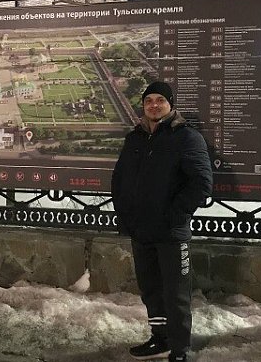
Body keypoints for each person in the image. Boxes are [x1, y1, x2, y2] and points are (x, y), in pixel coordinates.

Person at [111, 81, 212, 362]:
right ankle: (160, 338)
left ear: (170, 105)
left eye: (160, 100)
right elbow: (120, 179)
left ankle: (179, 348)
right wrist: (126, 214)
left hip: (171, 233)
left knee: (176, 294)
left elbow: (201, 183)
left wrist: (175, 215)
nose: (154, 105)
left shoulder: (186, 137)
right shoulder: (135, 138)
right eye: (148, 101)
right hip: (141, 230)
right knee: (151, 291)